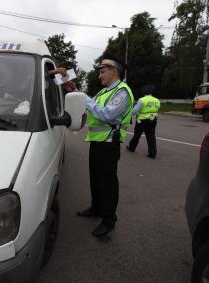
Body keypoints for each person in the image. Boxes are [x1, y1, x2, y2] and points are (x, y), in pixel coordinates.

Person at [74, 53, 134, 237]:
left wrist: (86, 99)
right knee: (96, 179)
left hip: (109, 142)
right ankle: (96, 208)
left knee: (108, 182)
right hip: (97, 141)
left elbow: (107, 114)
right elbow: (90, 106)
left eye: (103, 72)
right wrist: (77, 92)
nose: (99, 76)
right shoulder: (104, 91)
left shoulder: (122, 91)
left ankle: (109, 219)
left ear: (114, 71)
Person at [126, 84, 160, 159]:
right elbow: (157, 108)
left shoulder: (142, 100)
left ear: (144, 92)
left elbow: (135, 110)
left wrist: (129, 114)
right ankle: (152, 153)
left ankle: (132, 147)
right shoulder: (157, 100)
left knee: (137, 135)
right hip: (153, 119)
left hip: (142, 120)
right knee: (151, 136)